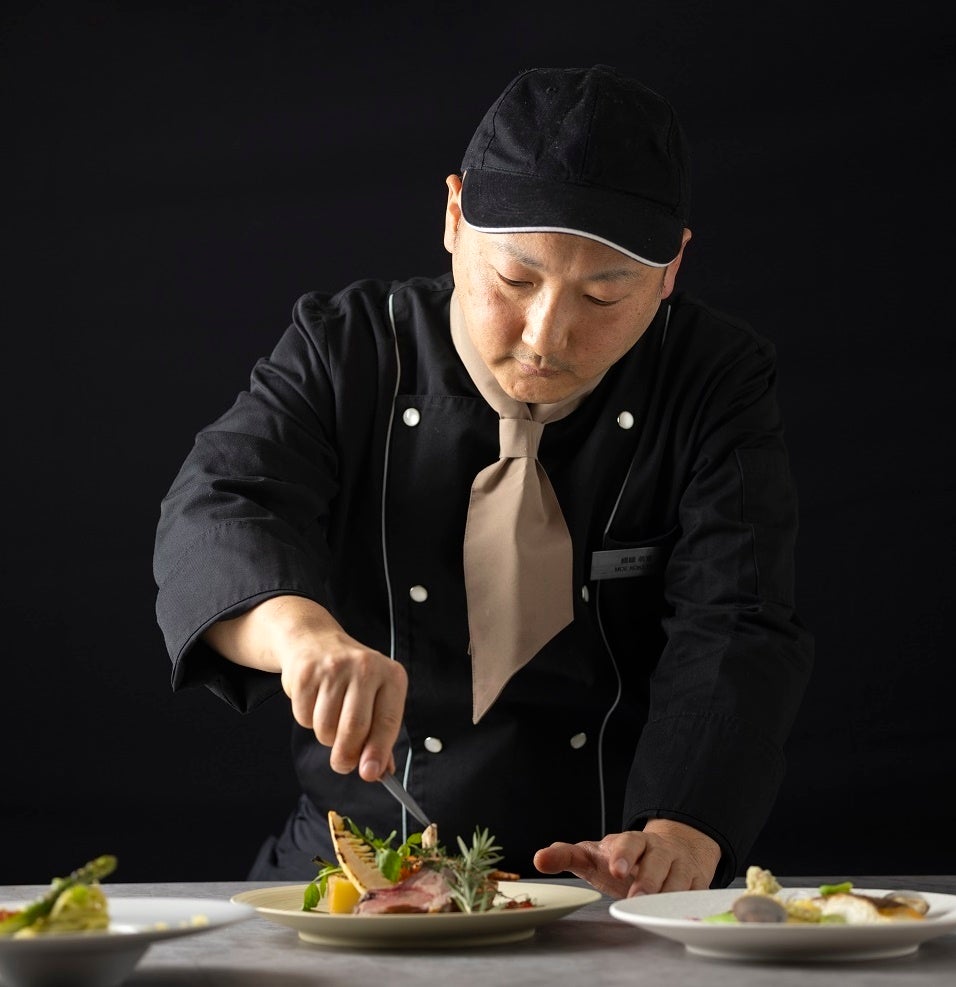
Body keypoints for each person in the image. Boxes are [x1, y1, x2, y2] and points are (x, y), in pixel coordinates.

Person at [153, 64, 813, 898]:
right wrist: (300, 635)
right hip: (354, 874)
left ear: (671, 270)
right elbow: (221, 503)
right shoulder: (348, 348)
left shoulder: (710, 378)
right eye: (516, 280)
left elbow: (735, 617)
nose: (546, 335)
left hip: (617, 877)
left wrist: (683, 829)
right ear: (454, 217)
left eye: (602, 296)